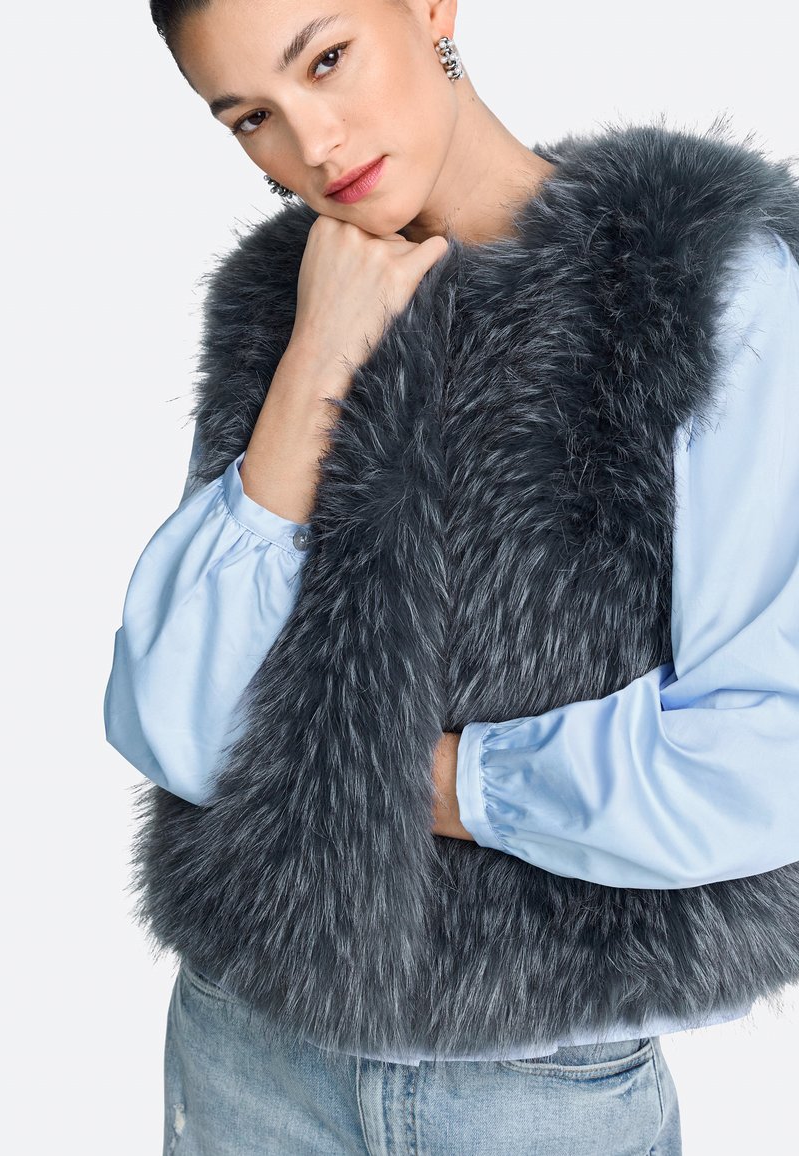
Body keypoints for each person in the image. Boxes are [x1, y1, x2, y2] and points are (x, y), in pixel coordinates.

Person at [104, 1, 799, 1152]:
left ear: (429, 7)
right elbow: (176, 725)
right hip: (246, 1053)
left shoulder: (700, 285)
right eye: (250, 118)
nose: (312, 144)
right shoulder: (283, 300)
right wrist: (313, 363)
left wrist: (394, 775)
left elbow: (763, 753)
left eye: (328, 60)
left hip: (533, 1087)